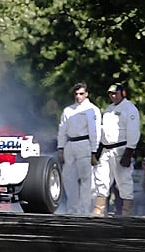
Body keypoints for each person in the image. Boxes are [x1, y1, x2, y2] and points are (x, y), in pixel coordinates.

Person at [92, 82, 141, 216]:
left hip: (121, 148)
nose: (113, 96)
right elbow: (104, 131)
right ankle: (99, 208)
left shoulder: (129, 109)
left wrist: (129, 151)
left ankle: (127, 210)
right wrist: (98, 151)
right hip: (106, 149)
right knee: (101, 177)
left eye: (115, 93)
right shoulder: (108, 109)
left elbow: (133, 131)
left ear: (122, 93)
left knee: (123, 179)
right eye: (111, 94)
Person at [57, 82, 101, 215]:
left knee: (86, 179)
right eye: (76, 94)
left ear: (86, 94)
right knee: (68, 178)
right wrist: (60, 147)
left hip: (84, 144)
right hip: (70, 144)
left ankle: (84, 209)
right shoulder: (68, 110)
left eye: (81, 93)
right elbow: (62, 130)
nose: (78, 96)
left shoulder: (92, 110)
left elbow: (95, 131)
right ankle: (72, 208)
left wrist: (94, 150)